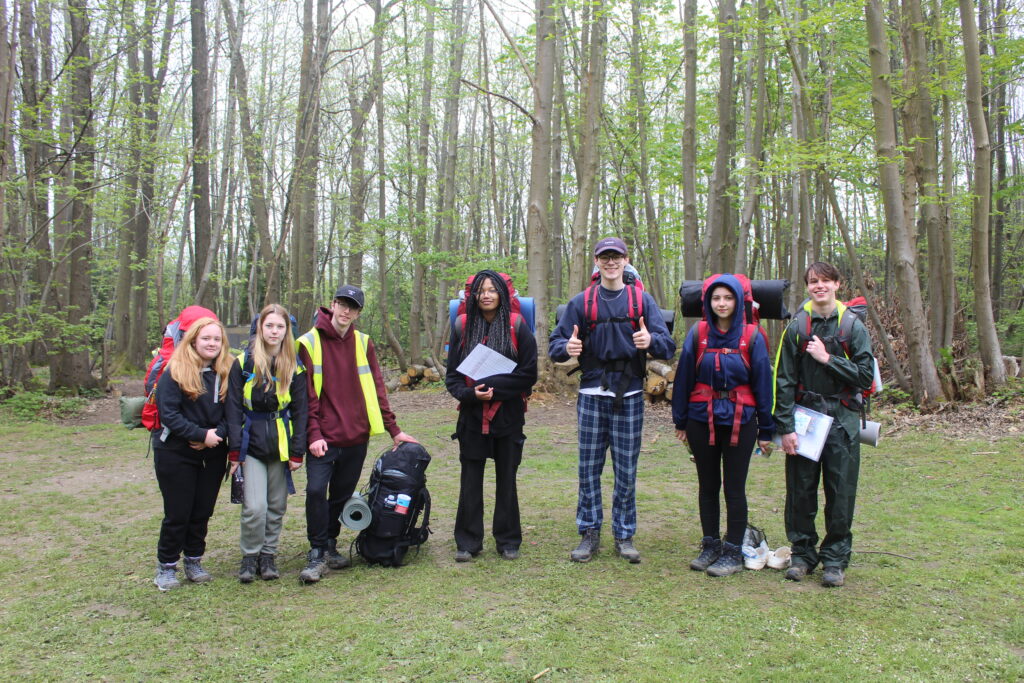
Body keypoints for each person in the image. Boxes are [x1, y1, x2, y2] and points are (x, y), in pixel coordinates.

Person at [549, 237, 676, 563]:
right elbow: (556, 344)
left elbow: (667, 345)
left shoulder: (641, 301)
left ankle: (624, 534)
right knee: (588, 469)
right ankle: (589, 533)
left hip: (630, 394)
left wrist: (650, 340)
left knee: (626, 470)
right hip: (591, 394)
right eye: (605, 257)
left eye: (616, 257)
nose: (610, 262)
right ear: (596, 261)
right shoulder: (581, 302)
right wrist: (568, 349)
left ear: (625, 260)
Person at [296, 285, 419, 583]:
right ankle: (316, 551)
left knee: (339, 495)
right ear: (332, 304)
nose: (346, 311)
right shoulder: (308, 342)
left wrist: (394, 430)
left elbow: (377, 388)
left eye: (353, 307)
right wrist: (313, 434)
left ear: (358, 313)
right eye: (342, 304)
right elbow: (306, 396)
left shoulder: (364, 343)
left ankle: (329, 544)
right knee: (315, 491)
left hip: (355, 436)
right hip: (322, 438)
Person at [774, 262, 874, 587]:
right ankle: (802, 555)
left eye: (825, 281)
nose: (819, 286)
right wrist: (785, 427)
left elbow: (865, 376)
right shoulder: (797, 327)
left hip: (842, 421)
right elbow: (784, 381)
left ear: (837, 284)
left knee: (840, 492)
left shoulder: (853, 327)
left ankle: (835, 560)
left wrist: (827, 359)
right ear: (808, 287)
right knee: (800, 490)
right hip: (805, 419)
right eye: (813, 282)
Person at [672, 275, 775, 576]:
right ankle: (710, 545)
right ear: (708, 302)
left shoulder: (753, 336)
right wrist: (680, 421)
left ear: (738, 301)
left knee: (734, 487)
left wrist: (766, 430)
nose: (722, 304)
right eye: (716, 298)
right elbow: (683, 379)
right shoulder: (698, 334)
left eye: (728, 298)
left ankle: (732, 550)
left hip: (741, 421)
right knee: (707, 485)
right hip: (701, 418)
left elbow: (763, 385)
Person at [445, 270, 538, 562]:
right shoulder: (462, 326)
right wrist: (473, 395)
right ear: (473, 296)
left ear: (502, 294)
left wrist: (493, 390)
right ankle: (468, 542)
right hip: (472, 417)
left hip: (508, 416)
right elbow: (452, 379)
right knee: (470, 479)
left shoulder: (518, 325)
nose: (486, 295)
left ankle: (508, 540)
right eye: (481, 290)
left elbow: (528, 375)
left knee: (506, 478)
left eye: (492, 290)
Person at [226, 304, 308, 583]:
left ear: (287, 331)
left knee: (276, 505)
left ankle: (268, 555)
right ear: (260, 328)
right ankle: (249, 556)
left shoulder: (295, 366)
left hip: (282, 443)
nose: (274, 331)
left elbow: (301, 411)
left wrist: (298, 451)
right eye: (269, 325)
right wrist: (235, 450)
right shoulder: (243, 363)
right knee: (254, 506)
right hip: (251, 444)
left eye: (280, 327)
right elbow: (233, 408)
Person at [151, 316, 234, 591]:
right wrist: (200, 435)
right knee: (178, 511)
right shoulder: (175, 370)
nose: (212, 343)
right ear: (194, 340)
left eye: (217, 339)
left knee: (202, 510)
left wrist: (217, 435)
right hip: (176, 452)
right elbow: (169, 415)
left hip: (212, 453)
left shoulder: (226, 371)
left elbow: (233, 412)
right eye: (206, 338)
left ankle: (194, 560)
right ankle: (166, 566)